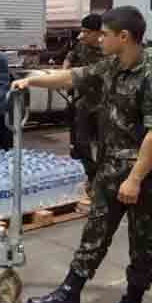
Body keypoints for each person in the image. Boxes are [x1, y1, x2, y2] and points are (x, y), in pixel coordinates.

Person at [12, 6, 152, 303]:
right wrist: (30, 80)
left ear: (124, 37)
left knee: (142, 241)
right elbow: (74, 76)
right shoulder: (112, 66)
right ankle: (70, 293)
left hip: (143, 176)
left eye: (104, 34)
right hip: (110, 167)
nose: (98, 39)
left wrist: (134, 179)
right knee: (95, 233)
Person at [63, 14, 106, 192]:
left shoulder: (108, 49)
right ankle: (92, 175)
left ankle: (103, 180)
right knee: (81, 143)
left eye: (86, 32)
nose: (82, 35)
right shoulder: (81, 46)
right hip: (84, 103)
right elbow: (69, 58)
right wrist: (65, 70)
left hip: (105, 105)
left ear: (98, 33)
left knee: (105, 145)